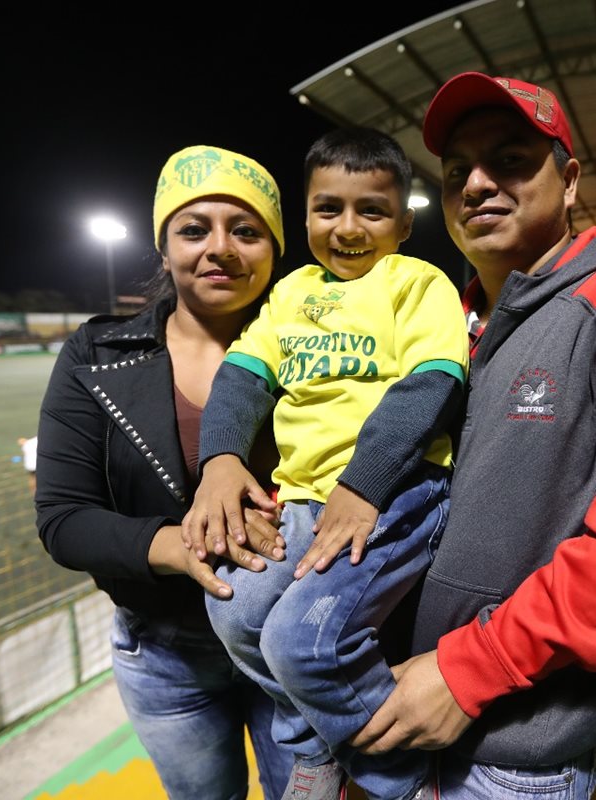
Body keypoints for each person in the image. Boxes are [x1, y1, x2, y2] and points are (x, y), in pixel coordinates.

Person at [349, 73, 596, 798]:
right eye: (458, 170)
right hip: (382, 716)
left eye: (511, 159)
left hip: (509, 759)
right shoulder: (432, 327)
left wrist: (471, 668)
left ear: (570, 180)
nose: (477, 184)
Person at [187, 128, 468, 800]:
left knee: (299, 644)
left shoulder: (416, 283)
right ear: (304, 214)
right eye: (328, 208)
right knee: (234, 613)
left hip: (395, 493)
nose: (348, 228)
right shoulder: (290, 295)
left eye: (371, 210)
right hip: (307, 501)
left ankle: (399, 779)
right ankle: (317, 743)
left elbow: (432, 384)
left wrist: (363, 483)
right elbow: (243, 377)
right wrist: (220, 460)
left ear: (403, 223)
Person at [35, 145, 295, 800]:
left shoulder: (325, 353)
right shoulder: (96, 355)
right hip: (165, 656)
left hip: (295, 647)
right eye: (193, 229)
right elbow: (65, 520)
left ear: (275, 245)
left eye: (246, 230)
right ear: (163, 246)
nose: (220, 249)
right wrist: (183, 547)